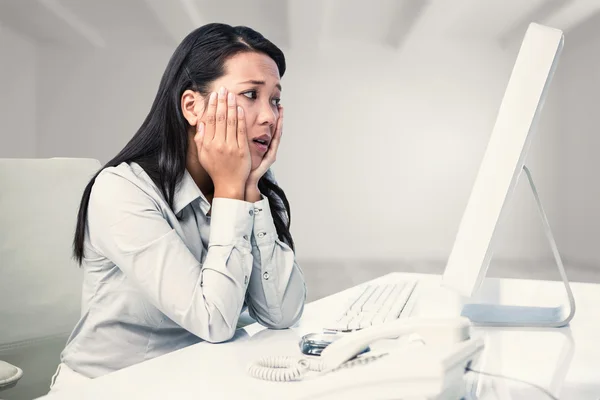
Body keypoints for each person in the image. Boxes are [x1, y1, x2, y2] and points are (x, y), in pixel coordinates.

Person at [48, 22, 306, 391]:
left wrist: (249, 189)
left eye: (275, 99)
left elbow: (283, 314)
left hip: (198, 380)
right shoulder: (122, 191)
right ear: (191, 106)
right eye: (251, 95)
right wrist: (232, 190)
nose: (269, 115)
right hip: (110, 388)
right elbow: (213, 321)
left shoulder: (253, 181)